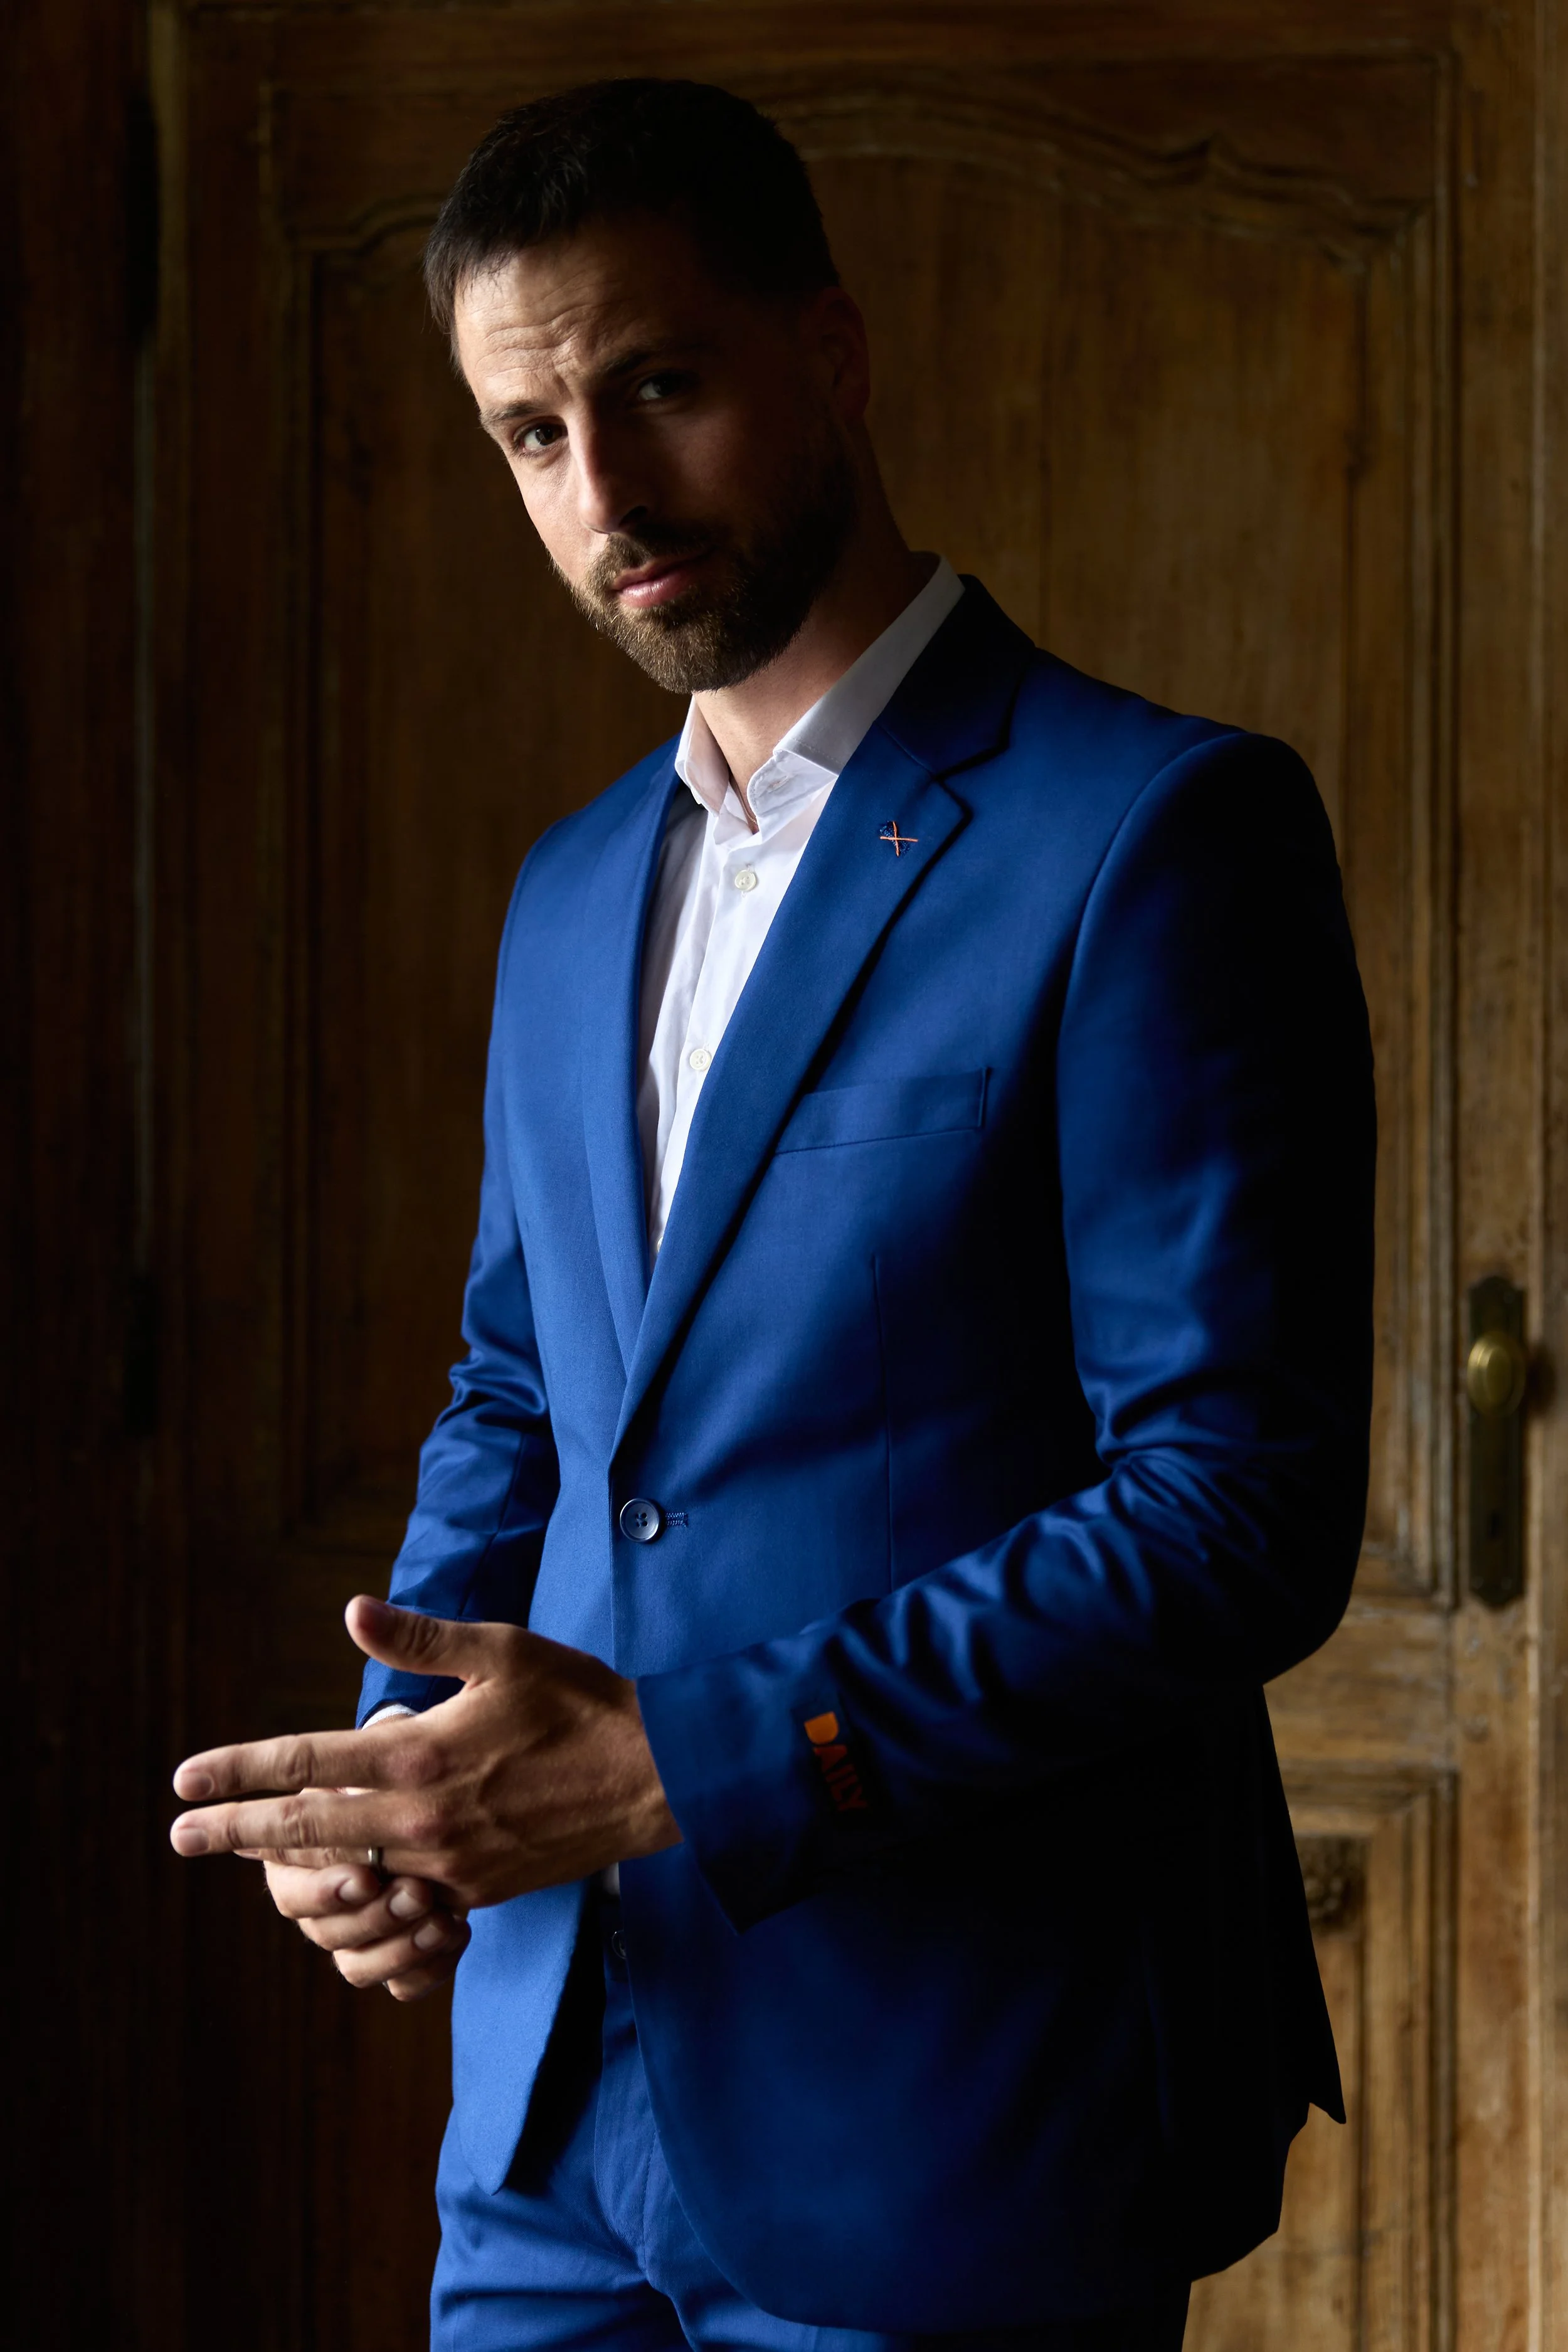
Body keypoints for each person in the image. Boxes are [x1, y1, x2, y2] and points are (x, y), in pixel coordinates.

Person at [169, 77, 1376, 2352]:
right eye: (531, 436)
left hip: (949, 2107)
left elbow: (1241, 1507)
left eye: (659, 389)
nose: (604, 493)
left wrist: (685, 1760)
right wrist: (388, 1759)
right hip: (543, 2122)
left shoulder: (1153, 833)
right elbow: (525, 1398)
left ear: (825, 356)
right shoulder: (556, 896)